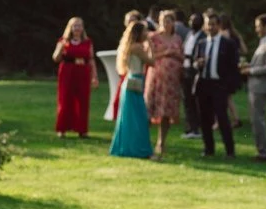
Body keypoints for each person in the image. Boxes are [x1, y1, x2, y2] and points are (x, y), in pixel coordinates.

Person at [191, 11, 240, 158]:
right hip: (204, 83)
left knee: (222, 118)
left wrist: (228, 86)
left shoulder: (228, 44)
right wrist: (197, 64)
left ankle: (229, 150)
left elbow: (233, 66)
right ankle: (208, 149)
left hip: (219, 85)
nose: (210, 27)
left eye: (213, 24)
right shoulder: (201, 43)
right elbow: (194, 62)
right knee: (205, 119)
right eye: (208, 25)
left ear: (218, 25)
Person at [239, 13, 266, 162]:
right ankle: (261, 150)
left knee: (258, 119)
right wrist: (248, 66)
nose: (256, 29)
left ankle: (264, 152)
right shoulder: (263, 42)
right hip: (255, 86)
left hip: (261, 87)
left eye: (258, 26)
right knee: (255, 119)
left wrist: (251, 71)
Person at [143, 10, 185, 159]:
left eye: (169, 21)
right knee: (150, 108)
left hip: (172, 79)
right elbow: (149, 56)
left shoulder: (178, 39)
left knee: (166, 111)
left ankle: (161, 141)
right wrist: (166, 53)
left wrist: (175, 55)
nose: (166, 24)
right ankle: (144, 140)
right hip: (156, 77)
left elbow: (182, 55)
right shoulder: (153, 37)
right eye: (163, 21)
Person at [109, 20, 154, 159]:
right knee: (139, 119)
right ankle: (140, 149)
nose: (147, 33)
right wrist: (151, 45)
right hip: (135, 82)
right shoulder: (137, 48)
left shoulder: (130, 46)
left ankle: (128, 147)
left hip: (129, 81)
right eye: (145, 31)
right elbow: (152, 62)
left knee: (129, 118)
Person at [53, 17, 99, 138]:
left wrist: (94, 76)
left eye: (79, 25)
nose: (77, 28)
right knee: (65, 99)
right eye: (75, 26)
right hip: (67, 72)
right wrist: (60, 48)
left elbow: (91, 59)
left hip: (83, 72)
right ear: (70, 28)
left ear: (83, 28)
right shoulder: (63, 41)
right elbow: (56, 58)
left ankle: (82, 130)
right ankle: (62, 129)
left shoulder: (88, 42)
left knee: (83, 100)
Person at [218, 13, 246, 128]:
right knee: (228, 96)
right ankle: (234, 118)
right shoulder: (236, 35)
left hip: (225, 70)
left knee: (224, 96)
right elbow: (244, 50)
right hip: (234, 69)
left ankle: (234, 118)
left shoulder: (222, 35)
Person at [181, 12, 203, 138]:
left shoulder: (202, 36)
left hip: (195, 71)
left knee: (195, 100)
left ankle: (196, 128)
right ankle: (190, 127)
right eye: (190, 20)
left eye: (194, 20)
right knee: (187, 100)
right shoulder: (189, 34)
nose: (191, 22)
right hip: (186, 68)